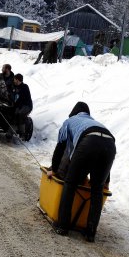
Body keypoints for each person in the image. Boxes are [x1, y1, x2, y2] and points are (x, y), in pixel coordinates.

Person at [48, 102, 116, 243]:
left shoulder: (70, 121)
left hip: (88, 142)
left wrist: (53, 170)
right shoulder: (94, 123)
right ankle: (90, 233)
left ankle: (63, 226)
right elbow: (102, 146)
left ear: (73, 113)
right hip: (110, 144)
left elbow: (60, 148)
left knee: (70, 183)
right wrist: (106, 181)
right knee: (97, 189)